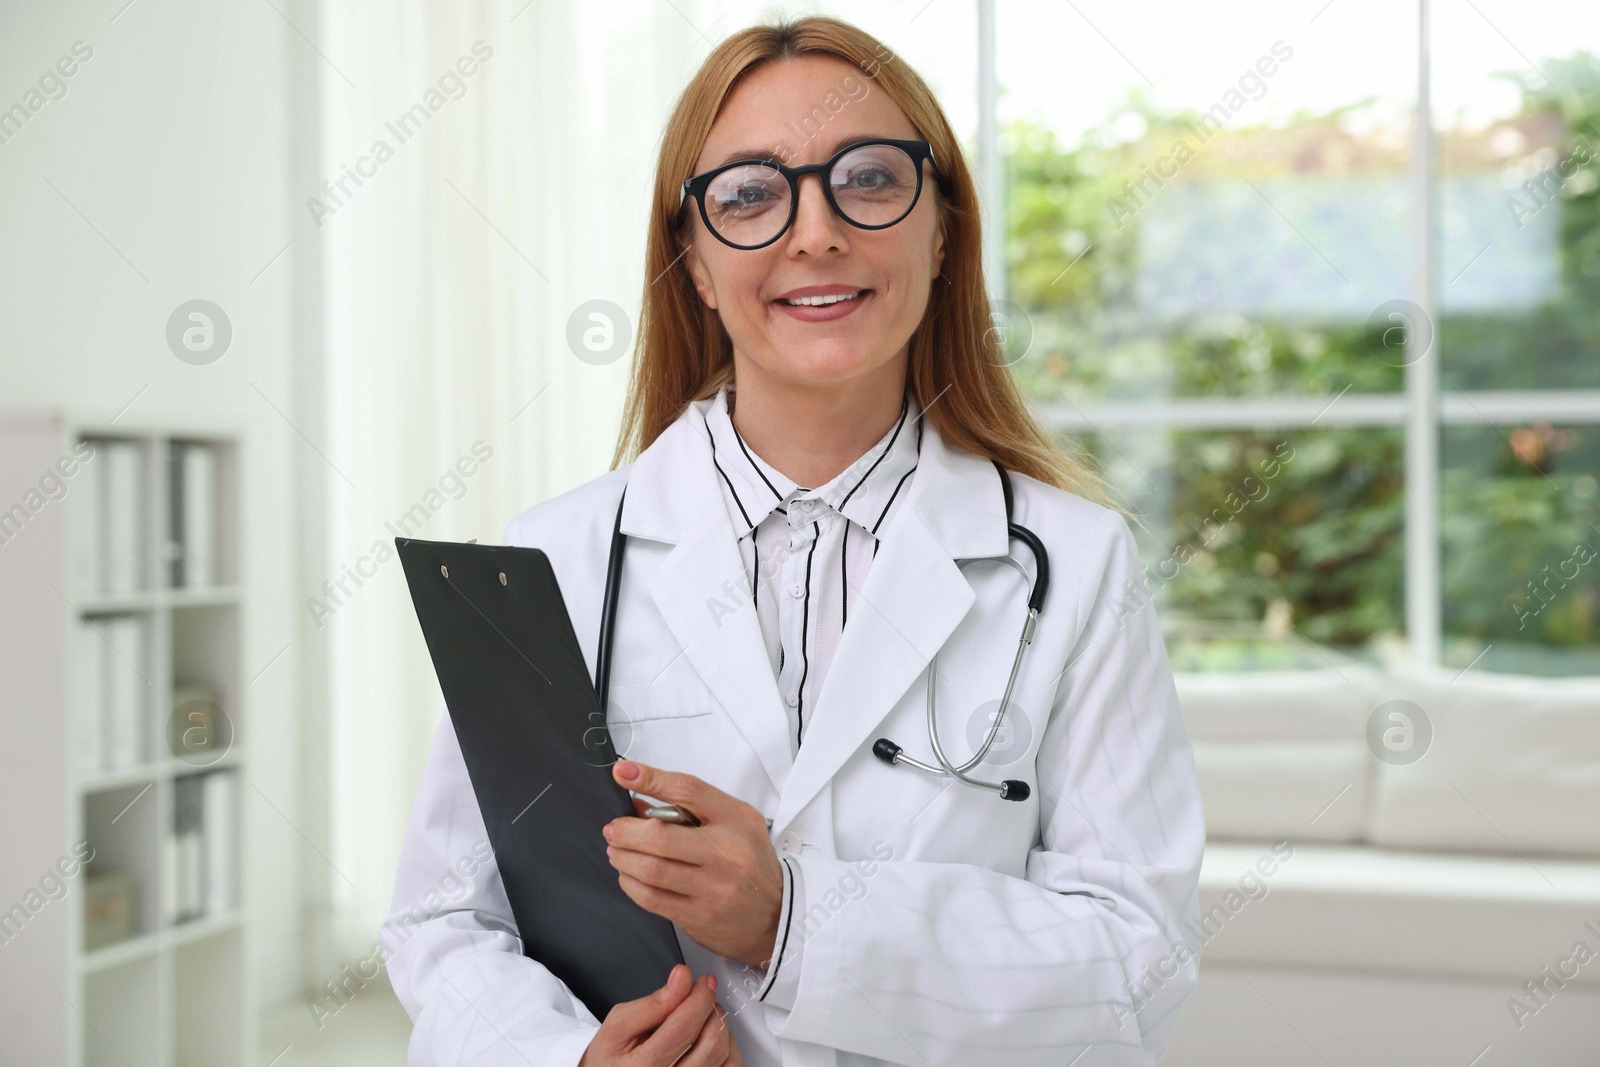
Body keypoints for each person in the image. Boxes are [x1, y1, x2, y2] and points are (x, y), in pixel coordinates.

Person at [383, 14, 1204, 1067]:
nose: (814, 232)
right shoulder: (560, 557)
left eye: (867, 178)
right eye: (748, 194)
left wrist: (794, 922)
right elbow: (445, 921)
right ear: (691, 255)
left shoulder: (1077, 564)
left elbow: (1140, 967)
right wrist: (571, 1059)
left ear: (942, 228)